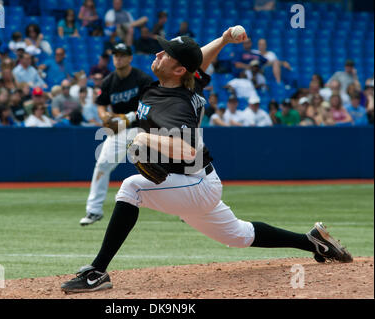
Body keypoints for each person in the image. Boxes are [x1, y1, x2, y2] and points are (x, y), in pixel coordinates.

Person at [60, 29, 352, 294]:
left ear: (177, 68)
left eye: (165, 53)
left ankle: (97, 272)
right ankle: (312, 241)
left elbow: (186, 150)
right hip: (196, 183)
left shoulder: (173, 102)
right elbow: (200, 61)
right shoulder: (184, 82)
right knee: (239, 235)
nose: (157, 54)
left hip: (194, 184)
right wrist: (223, 40)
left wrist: (143, 140)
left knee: (131, 188)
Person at [79, 43, 153, 226]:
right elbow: (101, 104)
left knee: (156, 170)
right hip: (120, 131)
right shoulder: (109, 81)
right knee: (103, 164)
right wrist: (104, 116)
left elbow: (151, 104)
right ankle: (94, 210)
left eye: (122, 55)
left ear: (130, 58)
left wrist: (127, 117)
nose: (118, 58)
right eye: (115, 55)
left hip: (141, 129)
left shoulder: (141, 79)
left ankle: (183, 209)